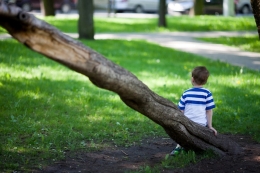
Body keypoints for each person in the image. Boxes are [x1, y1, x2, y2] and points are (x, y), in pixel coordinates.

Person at [170, 66, 217, 156]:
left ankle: (178, 148)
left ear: (192, 79)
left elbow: (181, 110)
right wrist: (210, 126)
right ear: (206, 81)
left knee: (181, 135)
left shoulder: (186, 93)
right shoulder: (207, 93)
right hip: (201, 124)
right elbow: (209, 111)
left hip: (187, 123)